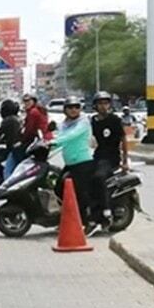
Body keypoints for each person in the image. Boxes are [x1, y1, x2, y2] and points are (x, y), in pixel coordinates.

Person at [51, 96, 99, 235]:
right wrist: (46, 144)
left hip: (83, 162)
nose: (73, 110)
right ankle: (69, 220)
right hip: (70, 163)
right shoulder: (64, 124)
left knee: (79, 192)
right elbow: (59, 137)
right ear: (65, 110)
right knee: (58, 189)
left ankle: (90, 221)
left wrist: (54, 142)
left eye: (76, 107)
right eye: (70, 107)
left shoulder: (83, 122)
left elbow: (71, 136)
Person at [91, 91, 127, 230]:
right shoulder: (93, 121)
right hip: (97, 156)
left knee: (99, 177)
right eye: (100, 103)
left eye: (105, 103)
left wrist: (125, 161)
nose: (103, 106)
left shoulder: (114, 120)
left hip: (111, 158)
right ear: (95, 106)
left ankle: (106, 211)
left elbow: (123, 140)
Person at [0, 99, 23, 178]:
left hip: (13, 149)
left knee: (7, 172)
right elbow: (4, 135)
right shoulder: (17, 118)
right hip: (18, 147)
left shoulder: (9, 120)